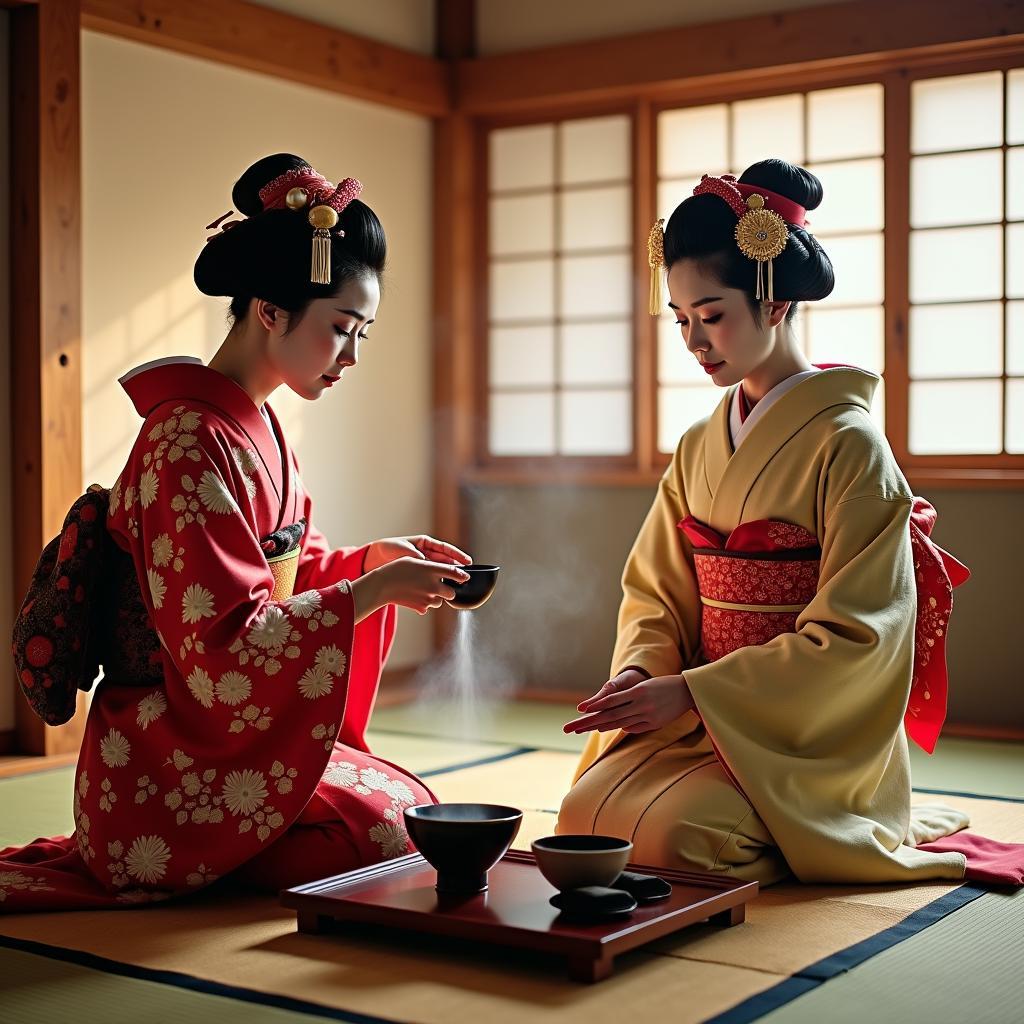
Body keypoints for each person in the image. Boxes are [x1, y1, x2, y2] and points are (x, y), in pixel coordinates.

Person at [2, 153, 470, 910]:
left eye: (364, 335)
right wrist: (371, 590)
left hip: (215, 740)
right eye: (342, 329)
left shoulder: (260, 431)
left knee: (408, 815)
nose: (351, 356)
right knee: (383, 836)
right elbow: (221, 644)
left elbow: (286, 572)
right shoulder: (185, 440)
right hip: (163, 761)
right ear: (270, 311)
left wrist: (370, 563)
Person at [558, 158, 1022, 887]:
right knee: (583, 816)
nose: (693, 341)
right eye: (680, 320)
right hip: (704, 714)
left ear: (773, 303)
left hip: (805, 734)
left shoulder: (850, 445)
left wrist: (692, 690)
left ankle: (823, 824)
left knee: (679, 838)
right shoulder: (698, 446)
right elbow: (656, 593)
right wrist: (644, 672)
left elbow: (858, 635)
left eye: (711, 316)